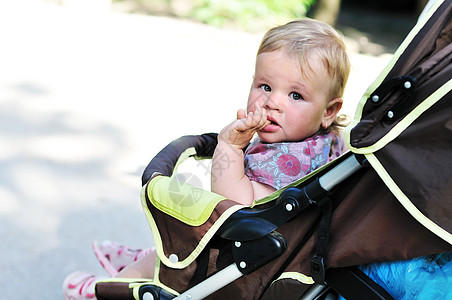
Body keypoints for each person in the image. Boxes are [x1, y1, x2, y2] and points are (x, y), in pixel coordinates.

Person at [63, 17, 351, 299]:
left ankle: (110, 287)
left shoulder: (290, 162)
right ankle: (144, 260)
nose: (272, 102)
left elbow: (237, 209)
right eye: (265, 86)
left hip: (245, 260)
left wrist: (229, 147)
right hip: (285, 254)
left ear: (328, 110)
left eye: (296, 96)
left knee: (183, 249)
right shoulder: (329, 145)